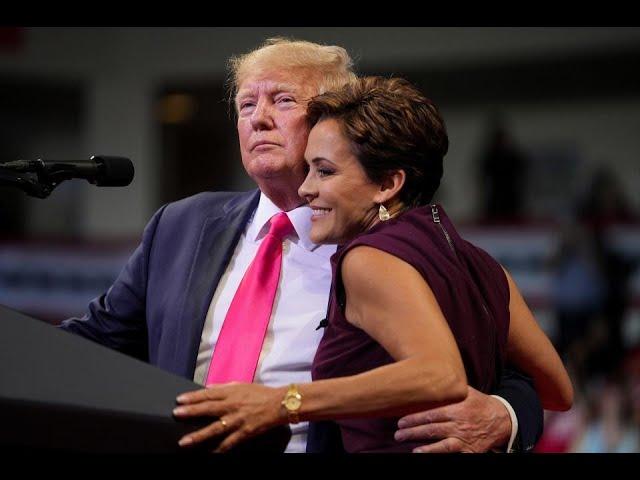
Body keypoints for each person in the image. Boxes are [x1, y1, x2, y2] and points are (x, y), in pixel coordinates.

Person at [61, 38, 545, 453]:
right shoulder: (180, 225)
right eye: (246, 105)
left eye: (283, 100)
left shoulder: (388, 247)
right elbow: (95, 341)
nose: (259, 119)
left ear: (333, 120)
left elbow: (500, 371)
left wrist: (505, 416)